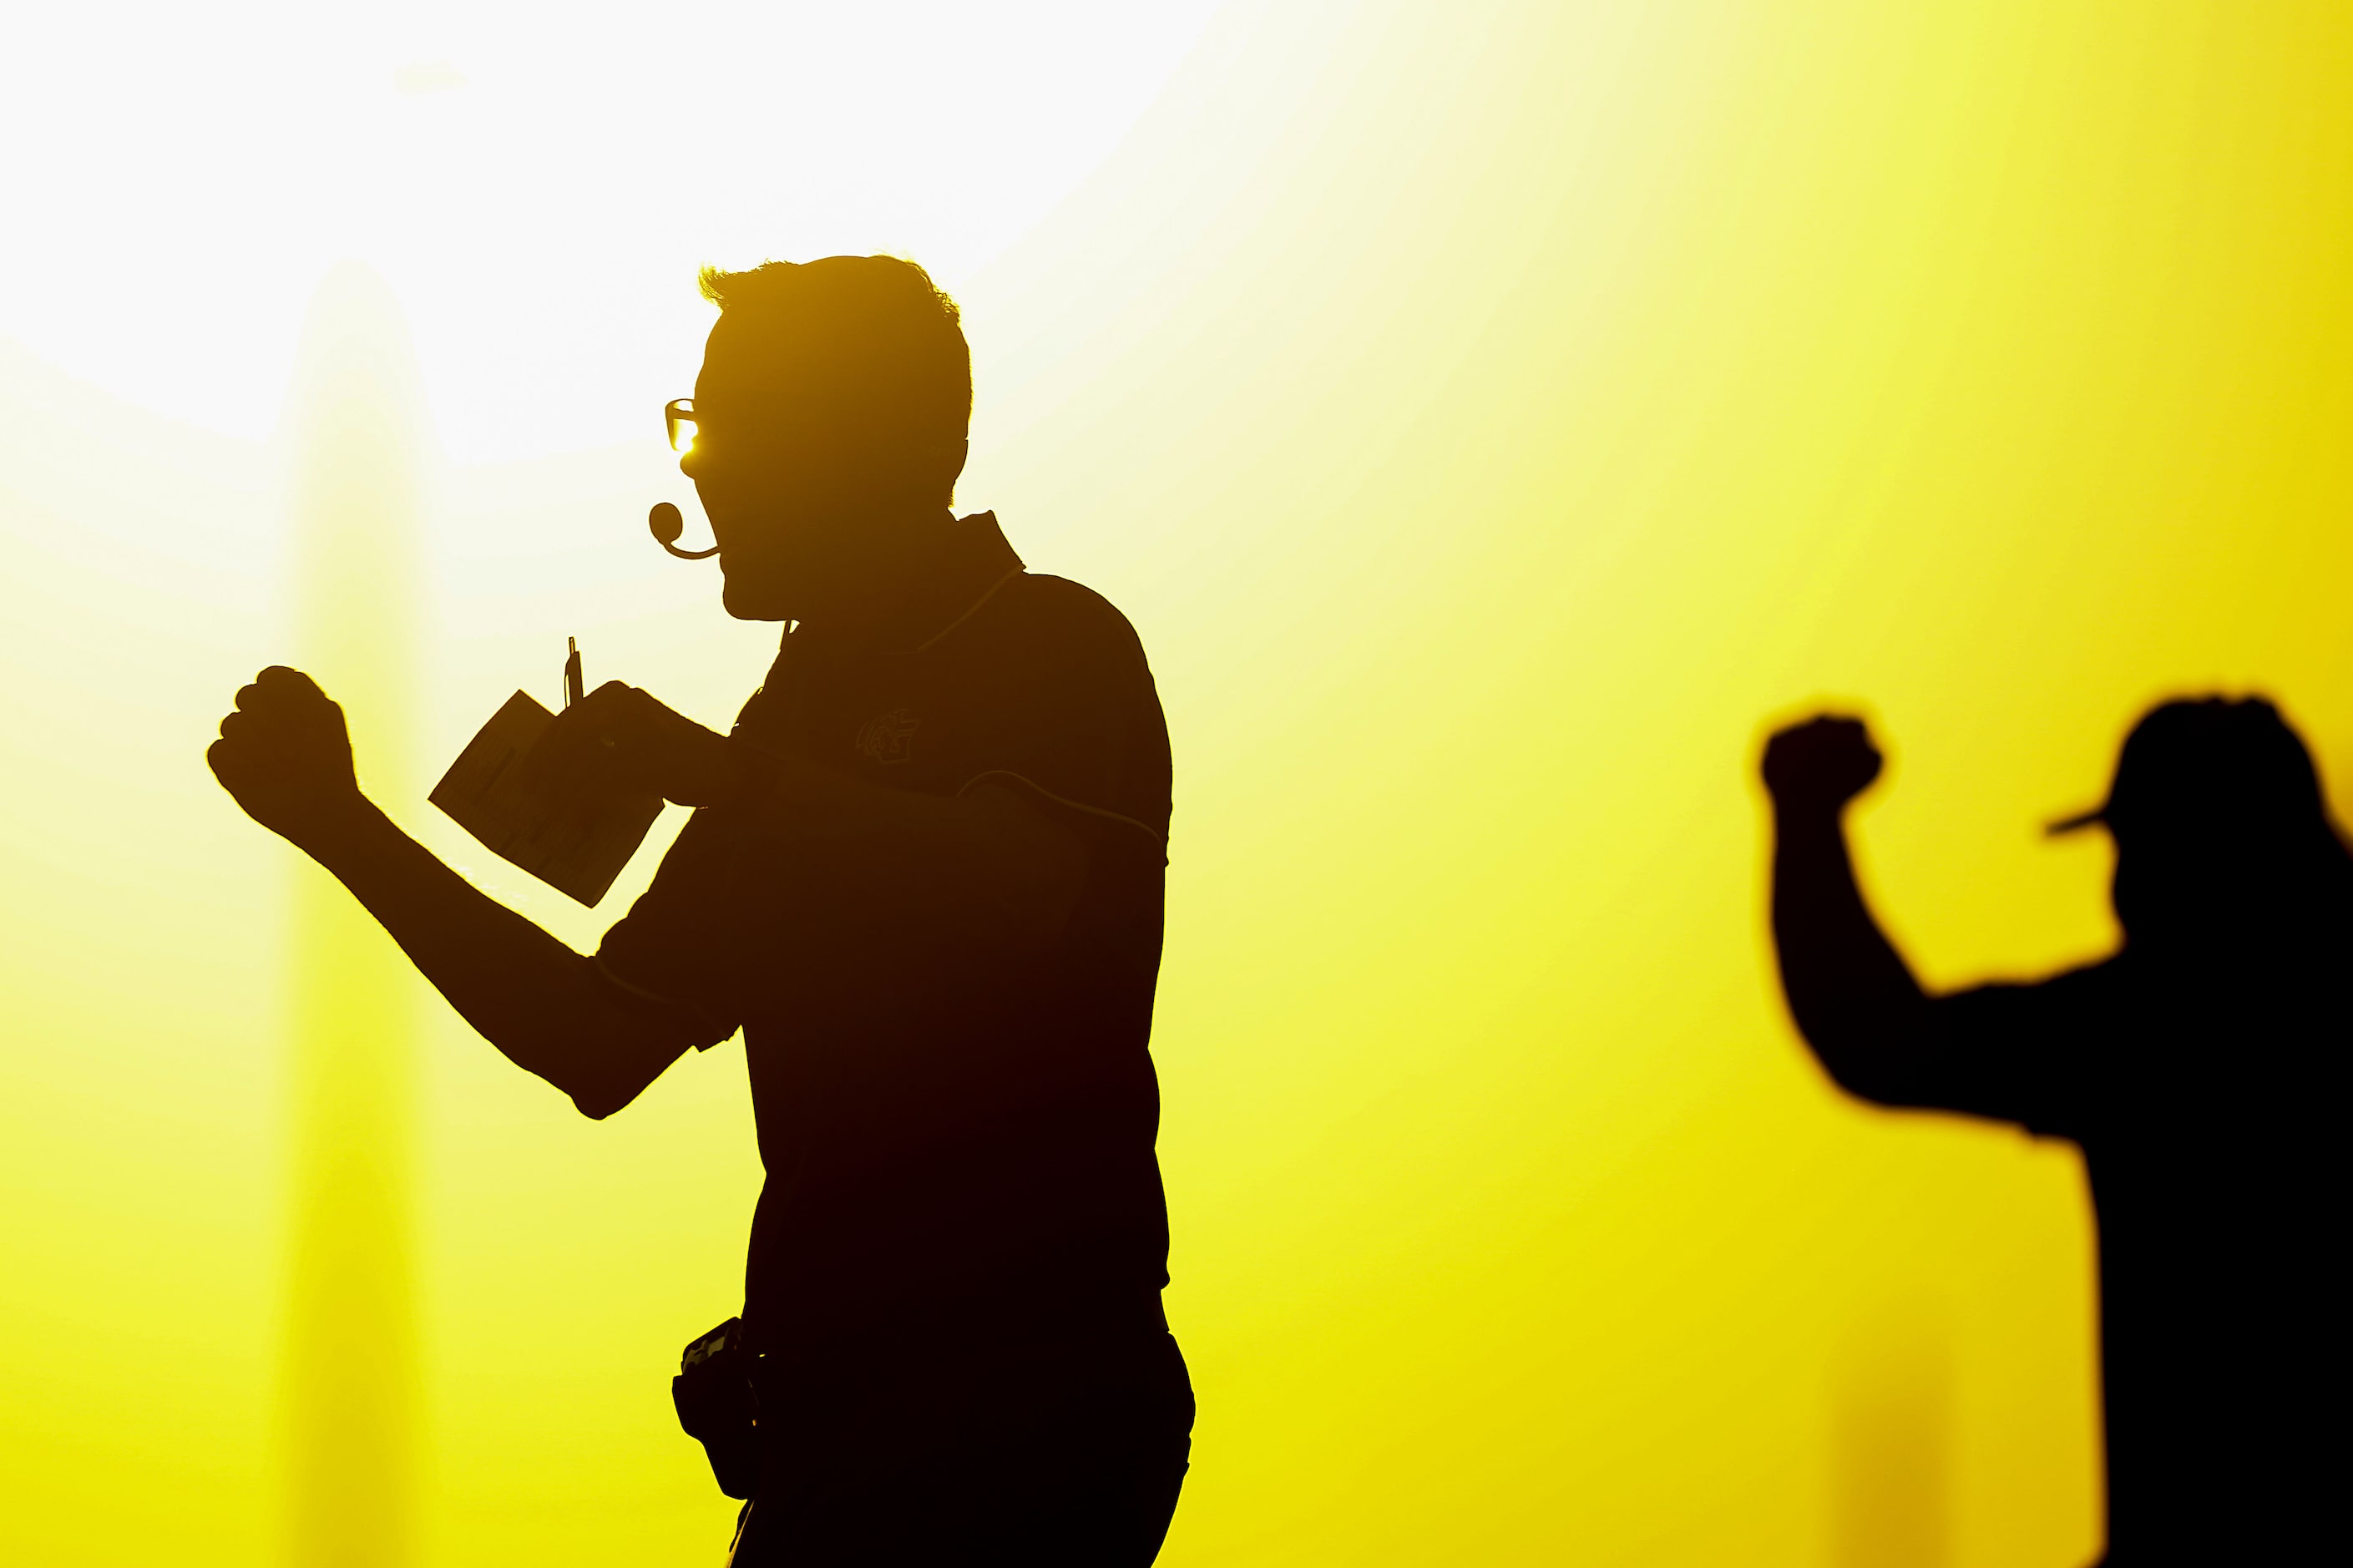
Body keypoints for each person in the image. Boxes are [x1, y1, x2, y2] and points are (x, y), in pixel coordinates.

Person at [209, 255, 1192, 1563]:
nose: (700, 468)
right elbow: (597, 1040)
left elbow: (1027, 884)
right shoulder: (792, 724)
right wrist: (337, 823)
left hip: (1023, 1410)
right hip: (842, 1440)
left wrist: (736, 776)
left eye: (731, 424)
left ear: (851, 442)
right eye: (698, 422)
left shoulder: (1045, 643)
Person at [1761, 697, 2348, 1565]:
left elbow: (1882, 1044)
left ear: (2194, 857)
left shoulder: (2154, 1035)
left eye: (2134, 849)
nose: (2118, 884)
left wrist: (1806, 818)